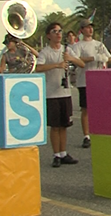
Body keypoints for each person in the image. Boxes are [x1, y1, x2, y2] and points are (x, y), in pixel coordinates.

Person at [35, 22, 85, 167]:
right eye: (54, 31)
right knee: (55, 126)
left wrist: (71, 59)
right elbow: (38, 67)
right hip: (51, 93)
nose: (58, 34)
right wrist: (56, 65)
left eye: (60, 31)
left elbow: (81, 64)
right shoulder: (45, 52)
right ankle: (56, 154)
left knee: (64, 125)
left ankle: (63, 153)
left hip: (65, 92)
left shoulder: (66, 49)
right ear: (48, 35)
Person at [70, 19, 111, 149]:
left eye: (91, 27)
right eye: (87, 27)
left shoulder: (99, 44)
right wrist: (92, 58)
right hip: (85, 80)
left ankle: (100, 132)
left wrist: (105, 59)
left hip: (99, 80)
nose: (90, 30)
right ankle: (86, 135)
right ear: (82, 30)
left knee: (100, 108)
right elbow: (76, 59)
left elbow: (110, 57)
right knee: (86, 109)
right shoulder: (78, 46)